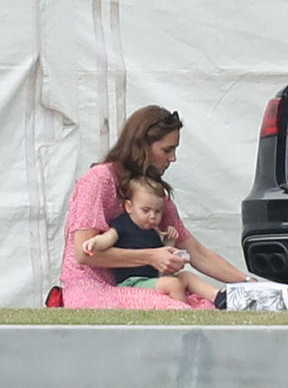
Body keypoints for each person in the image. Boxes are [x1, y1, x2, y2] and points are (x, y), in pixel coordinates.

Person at [58, 105, 251, 309]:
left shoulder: (153, 195)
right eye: (167, 150)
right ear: (141, 146)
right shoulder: (99, 179)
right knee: (177, 309)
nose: (173, 158)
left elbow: (196, 252)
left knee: (206, 307)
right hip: (92, 289)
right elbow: (84, 253)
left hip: (139, 286)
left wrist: (248, 283)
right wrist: (151, 256)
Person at [81, 176, 226, 307]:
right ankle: (184, 312)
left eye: (158, 212)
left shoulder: (154, 230)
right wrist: (95, 242)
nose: (152, 216)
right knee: (173, 284)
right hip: (132, 283)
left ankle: (220, 297)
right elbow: (108, 238)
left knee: (187, 276)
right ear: (129, 207)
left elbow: (162, 257)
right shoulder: (122, 224)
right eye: (146, 210)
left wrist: (170, 241)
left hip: (153, 279)